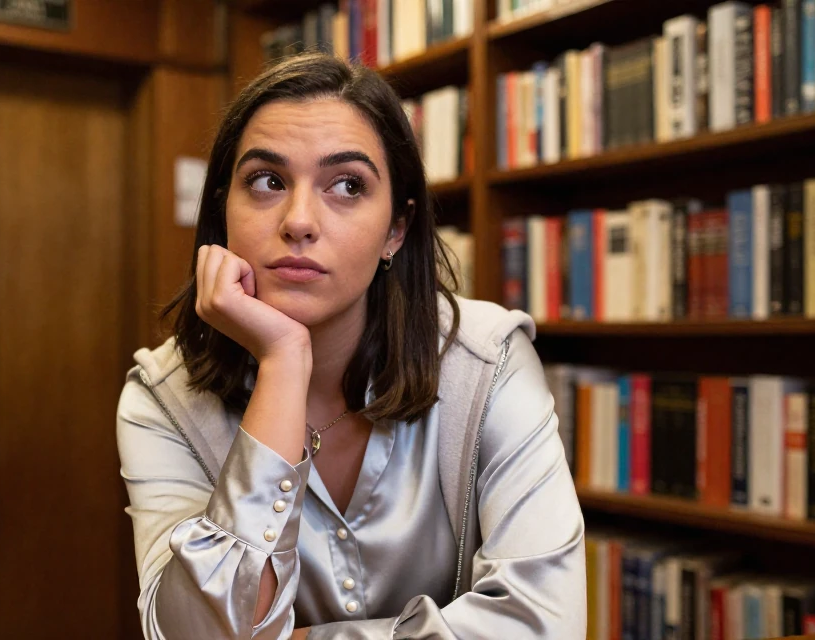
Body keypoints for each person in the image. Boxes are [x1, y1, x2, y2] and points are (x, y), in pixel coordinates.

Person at [116, 52, 585, 639]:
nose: (299, 220)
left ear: (396, 228)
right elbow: (196, 634)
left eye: (346, 185)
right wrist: (284, 361)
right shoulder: (163, 402)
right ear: (223, 212)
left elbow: (545, 625)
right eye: (267, 181)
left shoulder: (487, 363)